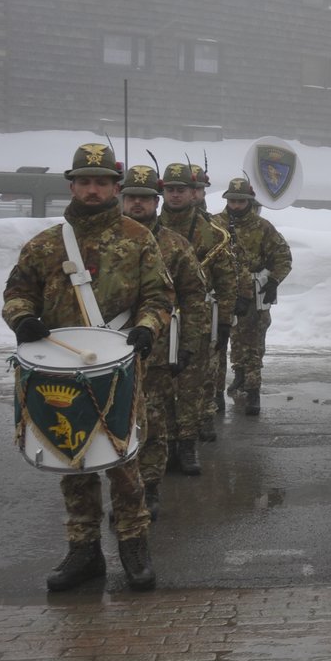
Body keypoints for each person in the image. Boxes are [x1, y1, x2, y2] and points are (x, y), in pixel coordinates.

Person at [3, 142, 173, 591]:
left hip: (117, 363)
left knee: (123, 459)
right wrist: (22, 318)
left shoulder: (139, 239)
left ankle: (134, 544)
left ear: (114, 186)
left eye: (101, 182)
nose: (93, 190)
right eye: (85, 182)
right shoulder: (44, 244)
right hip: (60, 366)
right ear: (72, 186)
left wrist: (148, 328)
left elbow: (159, 296)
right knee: (70, 457)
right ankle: (83, 551)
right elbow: (17, 293)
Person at [121, 164, 208, 510]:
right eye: (132, 198)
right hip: (106, 352)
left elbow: (194, 296)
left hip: (156, 350)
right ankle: (125, 490)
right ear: (122, 199)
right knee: (116, 425)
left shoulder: (175, 245)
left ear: (155, 202)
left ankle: (149, 489)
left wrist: (189, 344)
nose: (138, 204)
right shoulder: (98, 243)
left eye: (144, 198)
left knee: (153, 424)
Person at [157, 161, 239, 449]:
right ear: (162, 192)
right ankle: (163, 440)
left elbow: (227, 281)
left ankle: (188, 442)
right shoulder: (149, 230)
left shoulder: (212, 232)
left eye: (183, 190)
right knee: (161, 384)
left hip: (198, 318)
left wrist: (226, 320)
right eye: (171, 190)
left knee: (195, 381)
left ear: (194, 193)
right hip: (159, 317)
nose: (177, 195)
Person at [221, 177, 292, 417]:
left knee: (253, 345)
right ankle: (238, 376)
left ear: (249, 201)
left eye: (241, 201)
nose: (236, 205)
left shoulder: (263, 227)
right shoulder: (216, 225)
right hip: (224, 293)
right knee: (230, 341)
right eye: (232, 200)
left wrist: (272, 280)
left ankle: (253, 390)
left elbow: (283, 256)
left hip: (254, 294)